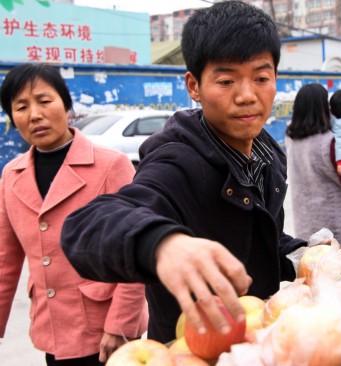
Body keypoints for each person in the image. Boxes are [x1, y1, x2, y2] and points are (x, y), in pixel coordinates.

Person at [61, 1, 307, 344]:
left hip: (253, 341)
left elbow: (252, 240)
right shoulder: (177, 163)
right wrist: (162, 243)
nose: (247, 96)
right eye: (226, 81)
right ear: (194, 86)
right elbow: (86, 227)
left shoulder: (265, 151)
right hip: (192, 348)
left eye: (261, 78)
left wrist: (303, 255)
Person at [0, 63, 148, 365]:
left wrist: (121, 322)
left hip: (105, 330)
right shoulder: (11, 176)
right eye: (21, 107)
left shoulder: (111, 165)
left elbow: (134, 250)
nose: (35, 114)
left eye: (44, 101)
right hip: (52, 326)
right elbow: (5, 259)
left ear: (67, 105)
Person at [286, 83, 341, 245]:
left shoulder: (291, 137)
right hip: (335, 227)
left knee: (313, 266)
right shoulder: (329, 142)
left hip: (305, 221)